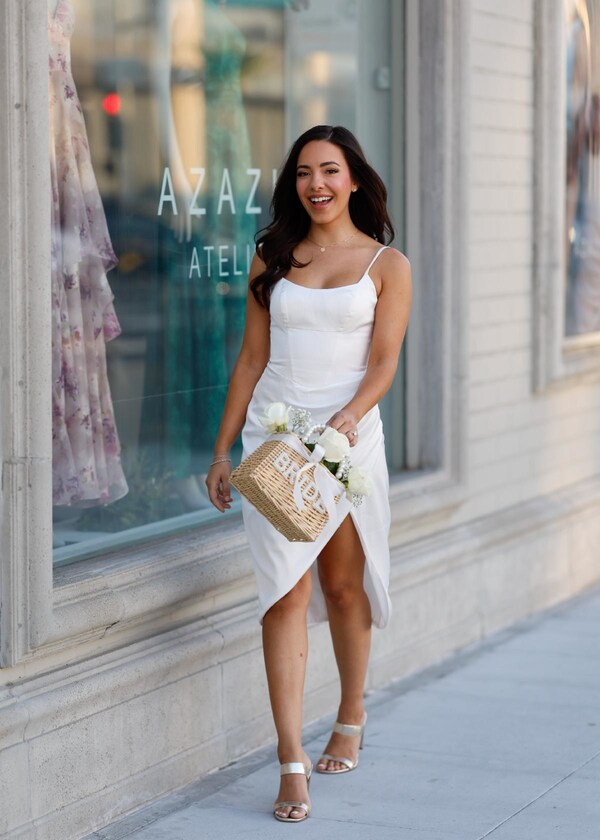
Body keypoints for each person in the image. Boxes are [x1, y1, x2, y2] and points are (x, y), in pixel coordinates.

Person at [206, 124, 412, 822]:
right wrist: (222, 448)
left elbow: (383, 363)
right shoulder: (273, 258)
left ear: (354, 178)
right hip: (277, 443)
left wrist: (349, 418)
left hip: (348, 440)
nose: (315, 185)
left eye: (328, 170)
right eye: (302, 173)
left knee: (344, 584)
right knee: (284, 593)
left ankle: (350, 712)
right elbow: (249, 359)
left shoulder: (387, 263)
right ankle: (291, 761)